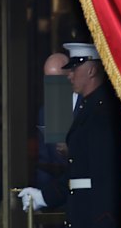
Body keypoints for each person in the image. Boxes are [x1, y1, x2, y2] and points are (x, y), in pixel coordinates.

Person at [19, 43, 121, 228]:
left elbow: (105, 173)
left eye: (75, 69)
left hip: (97, 217)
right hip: (82, 213)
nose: (69, 75)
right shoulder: (89, 108)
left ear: (92, 70)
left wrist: (106, 219)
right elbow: (77, 171)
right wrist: (44, 197)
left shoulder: (104, 111)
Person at [36, 53, 70, 188]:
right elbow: (44, 159)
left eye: (57, 80)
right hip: (56, 192)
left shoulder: (85, 105)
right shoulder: (45, 112)